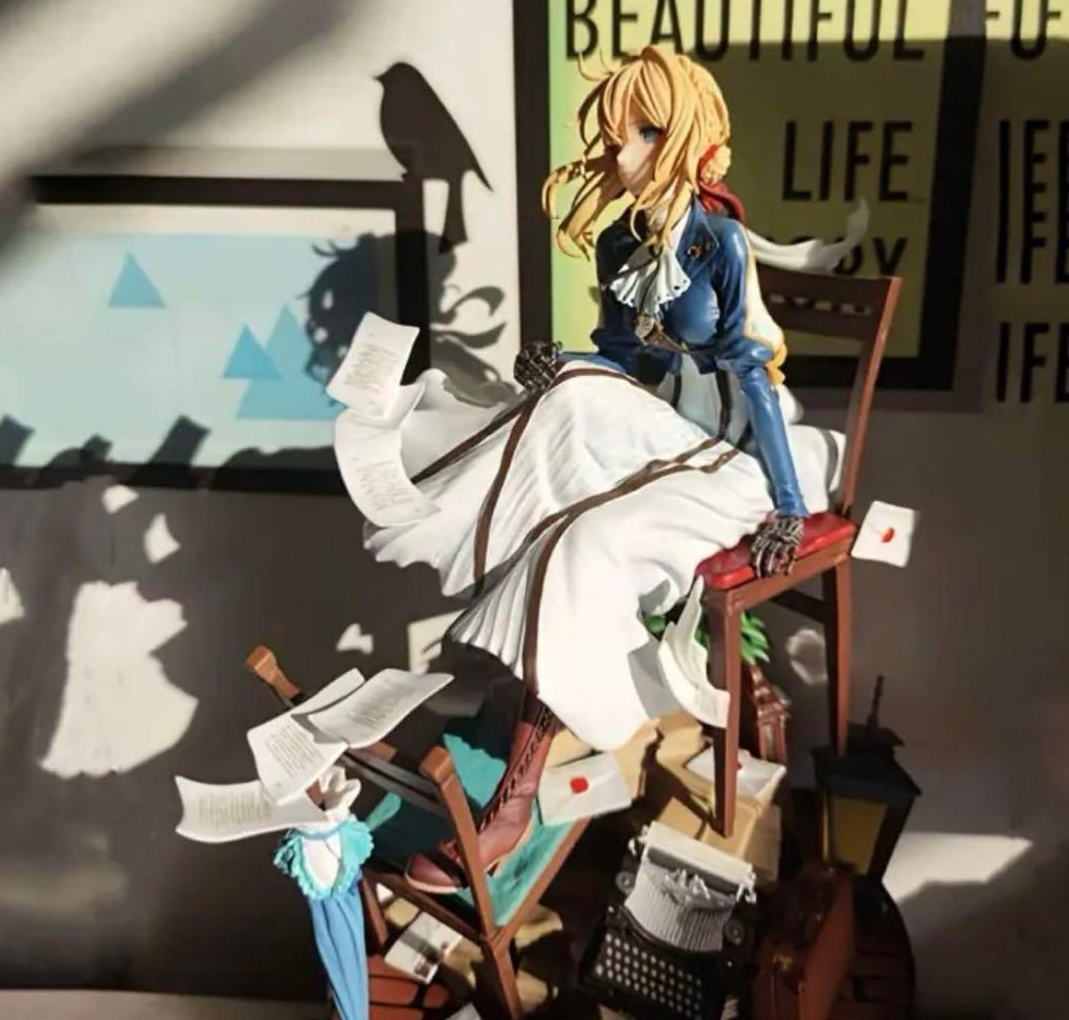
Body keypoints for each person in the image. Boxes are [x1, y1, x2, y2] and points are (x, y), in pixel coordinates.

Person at [336, 46, 859, 893]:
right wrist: (563, 361)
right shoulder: (622, 238)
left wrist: (791, 508)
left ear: (684, 135)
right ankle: (423, 498)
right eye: (616, 135)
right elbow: (623, 359)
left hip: (745, 451)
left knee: (584, 541)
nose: (622, 153)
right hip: (663, 425)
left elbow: (754, 379)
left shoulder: (719, 241)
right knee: (566, 395)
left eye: (644, 133)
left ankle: (514, 796)